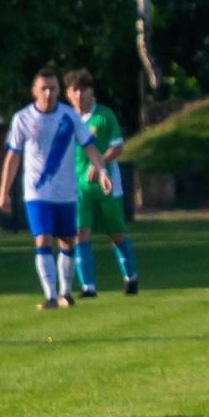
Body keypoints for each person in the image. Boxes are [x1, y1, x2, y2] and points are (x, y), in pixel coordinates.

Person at [0, 68, 114, 310]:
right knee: (43, 239)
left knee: (68, 241)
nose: (48, 93)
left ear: (59, 91)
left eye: (53, 88)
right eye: (44, 88)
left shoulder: (69, 117)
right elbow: (13, 156)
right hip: (37, 193)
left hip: (66, 193)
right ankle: (50, 296)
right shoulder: (22, 119)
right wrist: (3, 191)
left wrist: (102, 171)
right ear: (34, 91)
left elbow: (89, 146)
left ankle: (65, 293)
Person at [63, 69, 139, 297]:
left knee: (115, 234)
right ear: (68, 93)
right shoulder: (66, 119)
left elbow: (118, 147)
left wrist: (100, 165)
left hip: (107, 185)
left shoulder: (104, 116)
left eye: (84, 89)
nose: (80, 94)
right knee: (80, 232)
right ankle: (88, 287)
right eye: (75, 90)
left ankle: (131, 277)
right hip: (77, 187)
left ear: (92, 91)